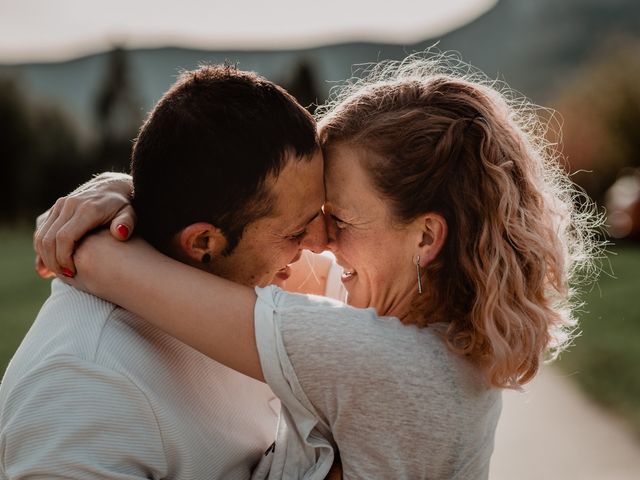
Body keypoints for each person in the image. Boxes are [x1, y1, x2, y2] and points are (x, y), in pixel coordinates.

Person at [34, 53, 600, 479]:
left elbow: (104, 266)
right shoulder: (438, 341)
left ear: (425, 237)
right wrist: (147, 190)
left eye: (340, 220)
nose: (319, 244)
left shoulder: (380, 360)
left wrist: (100, 220)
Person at [0, 65, 331, 479]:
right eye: (298, 230)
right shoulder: (83, 386)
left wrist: (124, 186)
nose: (320, 243)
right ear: (203, 243)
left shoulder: (258, 272)